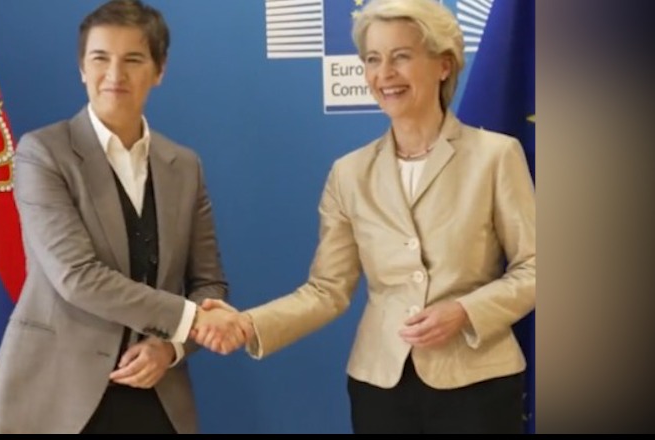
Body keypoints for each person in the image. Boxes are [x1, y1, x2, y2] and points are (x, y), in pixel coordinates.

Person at [194, 0, 535, 434]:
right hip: (380, 386)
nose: (384, 73)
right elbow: (327, 290)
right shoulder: (349, 173)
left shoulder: (496, 156)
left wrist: (465, 311)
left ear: (444, 65)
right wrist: (247, 324)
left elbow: (535, 267)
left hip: (479, 384)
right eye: (373, 59)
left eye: (401, 56)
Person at [0, 0, 244, 434]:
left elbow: (209, 283)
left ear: (159, 70)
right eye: (100, 58)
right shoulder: (42, 153)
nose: (115, 74)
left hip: (156, 392)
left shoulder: (185, 166)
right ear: (81, 68)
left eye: (133, 59)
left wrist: (169, 348)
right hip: (55, 395)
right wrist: (192, 320)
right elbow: (77, 276)